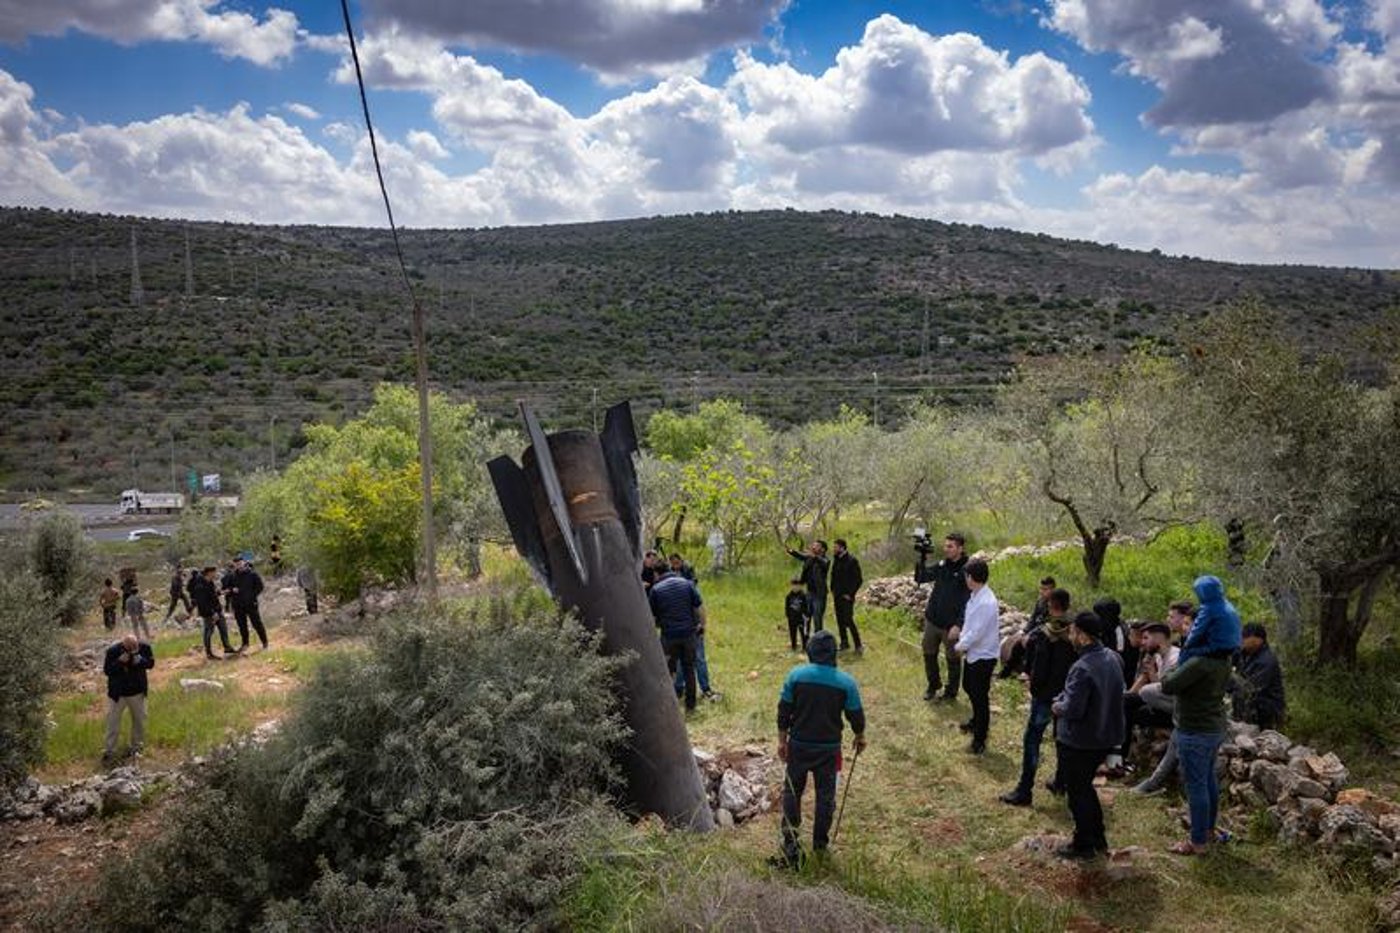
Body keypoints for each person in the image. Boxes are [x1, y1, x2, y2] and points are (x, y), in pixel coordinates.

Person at [775, 629, 866, 868]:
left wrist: (782, 740)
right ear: (834, 653)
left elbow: (784, 711)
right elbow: (856, 715)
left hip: (799, 745)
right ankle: (820, 844)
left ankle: (790, 842)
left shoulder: (796, 676)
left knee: (792, 792)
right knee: (826, 797)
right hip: (829, 749)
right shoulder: (846, 682)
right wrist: (860, 736)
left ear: (810, 652)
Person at [1052, 611, 1125, 860]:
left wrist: (1057, 705)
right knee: (1085, 788)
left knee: (1077, 793)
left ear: (1083, 636)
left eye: (1073, 632)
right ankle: (1097, 837)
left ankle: (1083, 844)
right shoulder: (1112, 657)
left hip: (1080, 740)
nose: (1070, 636)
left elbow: (1073, 708)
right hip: (1105, 736)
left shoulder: (1082, 667)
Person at [1161, 627, 1234, 856]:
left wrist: (1178, 662)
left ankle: (1197, 841)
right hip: (1213, 727)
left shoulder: (1198, 663)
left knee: (1196, 786)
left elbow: (1168, 684)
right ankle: (1208, 831)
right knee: (1207, 780)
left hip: (1195, 729)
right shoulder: (1222, 660)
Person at [1000, 587, 1076, 805]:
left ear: (1050, 606)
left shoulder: (1045, 633)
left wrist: (1033, 686)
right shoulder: (1075, 633)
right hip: (1068, 695)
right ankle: (1061, 782)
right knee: (1062, 740)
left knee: (1033, 739)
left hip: (1045, 695)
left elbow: (1038, 666)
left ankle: (1025, 789)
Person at [951, 559, 998, 754]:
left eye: (967, 575)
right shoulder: (976, 595)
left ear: (971, 578)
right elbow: (970, 626)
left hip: (983, 656)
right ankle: (976, 721)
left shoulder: (987, 602)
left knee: (980, 697)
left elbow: (976, 632)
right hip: (974, 653)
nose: (965, 579)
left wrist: (960, 646)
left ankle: (980, 738)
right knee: (968, 686)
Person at [916, 533, 970, 702]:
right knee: (928, 652)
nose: (946, 549)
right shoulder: (942, 565)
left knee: (953, 658)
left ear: (960, 548)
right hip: (932, 620)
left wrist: (958, 624)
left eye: (950, 546)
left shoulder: (967, 570)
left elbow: (969, 601)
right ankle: (933, 685)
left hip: (951, 626)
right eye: (945, 546)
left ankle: (951, 692)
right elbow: (921, 577)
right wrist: (922, 558)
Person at [648, 566, 706, 711]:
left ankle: (670, 705)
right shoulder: (687, 584)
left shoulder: (656, 589)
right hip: (688, 635)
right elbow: (699, 606)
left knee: (668, 670)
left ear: (657, 574)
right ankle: (691, 705)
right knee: (689, 669)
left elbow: (651, 617)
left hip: (669, 637)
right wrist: (702, 626)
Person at [103, 633, 154, 766]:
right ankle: (109, 750)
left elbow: (150, 664)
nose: (132, 650)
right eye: (129, 648)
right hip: (118, 694)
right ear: (123, 644)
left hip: (137, 692)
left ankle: (137, 747)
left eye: (134, 647)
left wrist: (140, 660)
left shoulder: (145, 647)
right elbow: (107, 670)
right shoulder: (113, 651)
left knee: (139, 721)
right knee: (112, 722)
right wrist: (119, 662)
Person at [1232, 622, 1285, 730]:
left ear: (1258, 639)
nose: (1243, 639)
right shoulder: (1243, 653)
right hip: (1248, 706)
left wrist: (1227, 680)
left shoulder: (1267, 661)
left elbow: (1251, 689)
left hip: (1264, 711)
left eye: (1246, 636)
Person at [1178, 575, 1242, 664]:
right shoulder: (1228, 605)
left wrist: (1186, 645)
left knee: (1188, 652)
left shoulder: (1209, 608)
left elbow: (1197, 630)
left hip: (1217, 647)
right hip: (1234, 647)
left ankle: (1178, 669)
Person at [999, 576, 1054, 679]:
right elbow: (1033, 618)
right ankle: (1007, 670)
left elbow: (1047, 624)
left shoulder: (1054, 604)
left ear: (1052, 589)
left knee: (1031, 643)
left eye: (1045, 589)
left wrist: (1030, 635)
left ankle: (1027, 672)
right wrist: (1025, 631)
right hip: (1035, 630)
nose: (1042, 592)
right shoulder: (1040, 601)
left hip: (1044, 632)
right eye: (1041, 588)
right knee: (1017, 644)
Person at [190, 565, 236, 660]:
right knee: (209, 632)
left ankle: (227, 647)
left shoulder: (210, 582)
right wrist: (212, 613)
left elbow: (212, 595)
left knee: (223, 628)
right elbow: (202, 603)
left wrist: (221, 592)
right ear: (209, 573)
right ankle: (209, 653)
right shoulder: (200, 586)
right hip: (208, 613)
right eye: (214, 572)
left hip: (217, 610)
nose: (216, 574)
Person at [787, 540, 830, 632]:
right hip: (809, 592)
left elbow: (824, 563)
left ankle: (818, 637)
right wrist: (791, 551)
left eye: (817, 546)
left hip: (819, 593)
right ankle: (806, 637)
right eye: (813, 545)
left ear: (823, 549)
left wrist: (815, 557)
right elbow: (800, 556)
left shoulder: (825, 560)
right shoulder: (809, 558)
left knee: (817, 617)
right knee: (806, 615)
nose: (813, 547)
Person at [829, 538, 864, 653]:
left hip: (847, 597)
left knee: (848, 619)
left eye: (836, 547)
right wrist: (832, 589)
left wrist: (850, 594)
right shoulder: (836, 559)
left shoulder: (852, 560)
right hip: (837, 595)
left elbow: (858, 579)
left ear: (842, 547)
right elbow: (833, 575)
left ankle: (858, 645)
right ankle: (844, 643)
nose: (834, 549)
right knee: (839, 619)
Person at [229, 557, 268, 651]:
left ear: (244, 563)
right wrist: (232, 590)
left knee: (257, 623)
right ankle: (245, 644)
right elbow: (227, 588)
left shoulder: (252, 574)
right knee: (242, 625)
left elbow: (260, 587)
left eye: (240, 563)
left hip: (251, 603)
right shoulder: (232, 576)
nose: (238, 566)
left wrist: (252, 596)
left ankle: (265, 642)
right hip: (238, 605)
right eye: (236, 564)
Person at [785, 577, 811, 652]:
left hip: (801, 618)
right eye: (793, 585)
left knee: (803, 633)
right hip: (792, 617)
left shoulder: (803, 596)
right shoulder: (789, 596)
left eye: (797, 585)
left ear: (800, 586)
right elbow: (787, 607)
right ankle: (793, 646)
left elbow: (806, 606)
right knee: (792, 632)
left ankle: (805, 646)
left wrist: (806, 615)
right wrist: (788, 615)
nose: (795, 587)